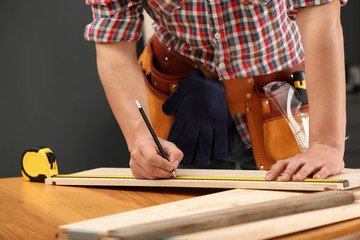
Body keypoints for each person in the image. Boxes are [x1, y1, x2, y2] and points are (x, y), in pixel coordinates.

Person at [84, 0, 347, 181]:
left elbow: (321, 19)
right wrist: (141, 138)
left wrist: (325, 145)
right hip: (185, 108)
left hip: (278, 104)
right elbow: (113, 41)